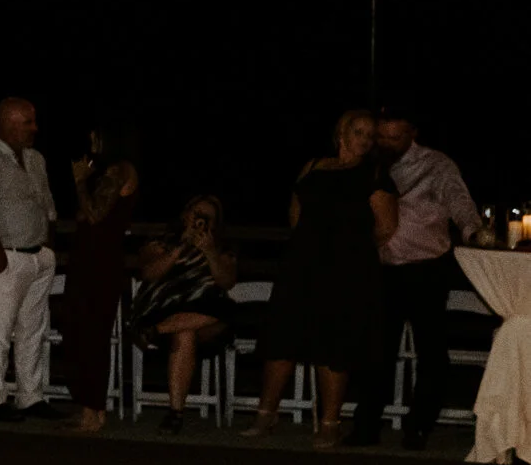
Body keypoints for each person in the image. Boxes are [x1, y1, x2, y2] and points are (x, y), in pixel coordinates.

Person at [252, 109, 399, 446]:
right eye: (358, 131)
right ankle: (266, 413)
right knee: (283, 334)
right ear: (341, 132)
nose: (364, 139)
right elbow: (295, 213)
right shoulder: (314, 166)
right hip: (302, 265)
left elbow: (387, 226)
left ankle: (330, 422)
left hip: (346, 270)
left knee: (334, 342)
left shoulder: (374, 174)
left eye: (370, 134)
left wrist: (351, 250)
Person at [351, 107, 479, 449]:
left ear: (412, 135)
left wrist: (473, 231)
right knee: (376, 351)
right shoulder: (369, 162)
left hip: (426, 269)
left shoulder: (437, 164)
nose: (386, 143)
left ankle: (419, 425)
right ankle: (366, 426)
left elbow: (459, 201)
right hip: (381, 269)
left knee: (432, 352)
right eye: (382, 136)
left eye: (395, 137)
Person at [0, 97, 61, 422]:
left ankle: (30, 396)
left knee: (34, 328)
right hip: (7, 255)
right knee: (0, 329)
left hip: (38, 257)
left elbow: (48, 204)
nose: (35, 128)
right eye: (28, 122)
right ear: (8, 124)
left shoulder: (35, 159)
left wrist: (48, 249)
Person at [129, 194, 237, 434]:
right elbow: (149, 273)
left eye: (207, 218)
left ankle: (152, 332)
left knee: (225, 310)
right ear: (185, 214)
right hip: (165, 308)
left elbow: (226, 282)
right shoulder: (162, 242)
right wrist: (179, 248)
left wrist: (209, 253)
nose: (200, 221)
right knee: (185, 332)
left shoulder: (221, 249)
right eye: (197, 214)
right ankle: (176, 413)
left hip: (207, 313)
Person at [60, 123, 140, 433]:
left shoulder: (119, 170)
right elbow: (85, 216)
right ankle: (90, 407)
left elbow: (94, 214)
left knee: (90, 334)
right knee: (79, 330)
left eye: (97, 135)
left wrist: (80, 181)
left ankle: (91, 413)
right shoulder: (107, 170)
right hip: (90, 260)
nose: (92, 140)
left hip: (99, 263)